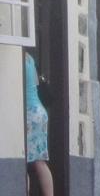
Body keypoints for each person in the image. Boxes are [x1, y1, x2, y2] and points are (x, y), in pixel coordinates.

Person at [25, 51, 54, 196]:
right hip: (40, 112)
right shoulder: (29, 57)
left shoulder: (17, 59)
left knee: (21, 163)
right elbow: (36, 83)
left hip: (28, 113)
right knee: (40, 162)